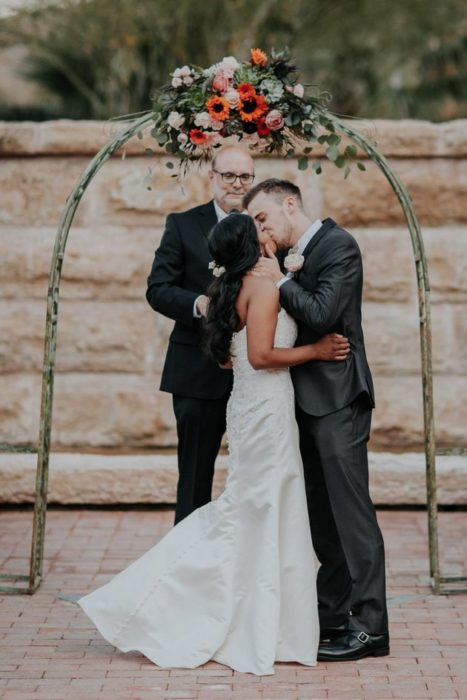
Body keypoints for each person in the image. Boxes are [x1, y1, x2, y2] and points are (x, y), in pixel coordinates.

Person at [79, 212, 350, 675]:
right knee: (260, 508)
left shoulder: (234, 287)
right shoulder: (262, 289)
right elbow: (262, 356)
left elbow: (234, 356)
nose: (270, 233)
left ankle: (262, 617)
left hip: (250, 407)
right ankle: (193, 602)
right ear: (248, 242)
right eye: (261, 230)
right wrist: (317, 350)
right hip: (265, 409)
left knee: (256, 507)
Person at [244, 178, 390, 662]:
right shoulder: (287, 258)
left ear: (290, 204)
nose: (261, 229)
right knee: (322, 520)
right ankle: (332, 618)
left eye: (263, 217)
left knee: (352, 517)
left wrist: (281, 281)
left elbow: (325, 311)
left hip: (338, 398)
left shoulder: (338, 244)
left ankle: (370, 629)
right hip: (301, 402)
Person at [146, 145, 256, 524]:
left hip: (259, 372)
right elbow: (157, 289)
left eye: (244, 176)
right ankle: (185, 562)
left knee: (258, 477)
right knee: (194, 479)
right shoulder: (182, 224)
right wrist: (199, 304)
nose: (236, 184)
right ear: (212, 177)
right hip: (196, 371)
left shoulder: (264, 224)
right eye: (229, 175)